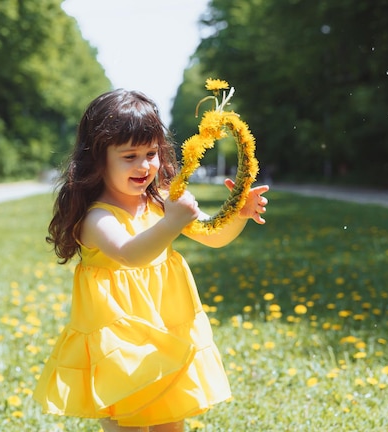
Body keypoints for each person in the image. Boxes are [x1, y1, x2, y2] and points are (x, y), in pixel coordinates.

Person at [33, 89, 269, 432]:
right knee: (126, 423)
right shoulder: (97, 218)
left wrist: (239, 215)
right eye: (129, 156)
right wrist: (172, 222)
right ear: (99, 160)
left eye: (151, 153)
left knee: (171, 423)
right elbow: (130, 254)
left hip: (165, 332)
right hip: (121, 344)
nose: (144, 166)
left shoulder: (159, 201)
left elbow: (212, 235)